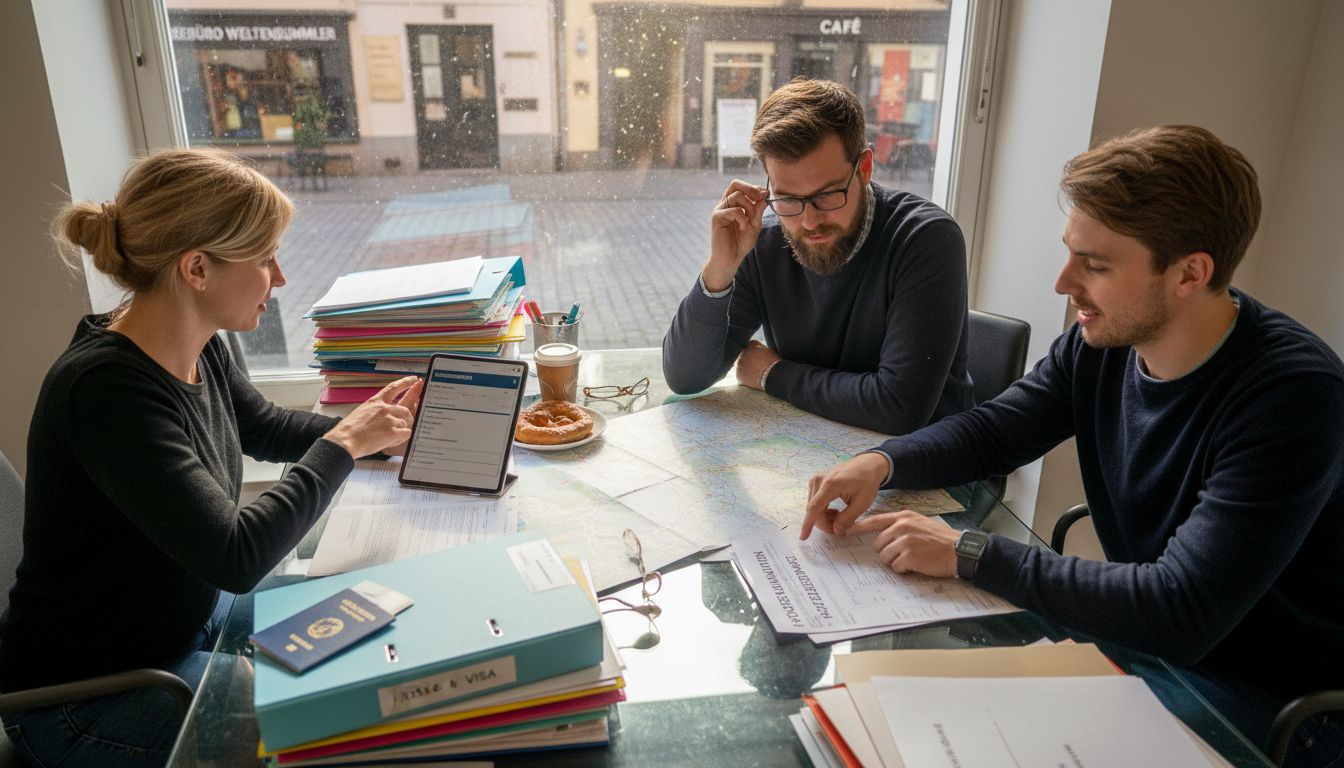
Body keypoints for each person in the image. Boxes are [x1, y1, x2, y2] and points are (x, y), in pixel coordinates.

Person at [801, 125, 1344, 765]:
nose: (1064, 283)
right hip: (1154, 648)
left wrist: (971, 552)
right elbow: (998, 429)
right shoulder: (1105, 345)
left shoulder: (1293, 396)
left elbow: (1183, 612)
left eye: (1096, 265)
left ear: (1190, 273)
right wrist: (884, 460)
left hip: (1268, 701)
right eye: (1070, 253)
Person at [0, 148, 424, 768]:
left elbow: (264, 426)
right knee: (328, 735)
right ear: (197, 268)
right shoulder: (105, 392)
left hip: (185, 626)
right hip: (86, 697)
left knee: (371, 623)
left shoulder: (198, 344)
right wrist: (343, 444)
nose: (278, 278)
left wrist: (373, 431)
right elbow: (236, 554)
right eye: (264, 257)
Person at [662, 78, 974, 434]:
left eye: (827, 195)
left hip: (930, 465)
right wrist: (720, 270)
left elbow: (900, 408)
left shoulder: (925, 239)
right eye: (788, 199)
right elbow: (685, 377)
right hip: (812, 445)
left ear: (865, 168)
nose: (809, 221)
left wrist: (771, 373)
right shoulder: (763, 240)